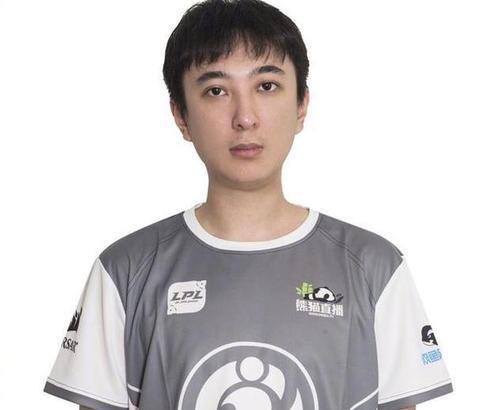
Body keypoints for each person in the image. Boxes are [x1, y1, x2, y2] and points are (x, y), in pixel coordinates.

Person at [42, 0, 453, 409]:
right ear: (181, 115)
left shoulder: (375, 268)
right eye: (216, 91)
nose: (245, 117)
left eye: (266, 86)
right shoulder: (124, 271)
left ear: (302, 105)